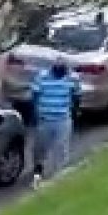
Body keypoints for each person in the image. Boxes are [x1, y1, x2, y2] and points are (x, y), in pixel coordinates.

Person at [30, 60, 80, 188]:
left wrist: (73, 112)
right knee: (40, 149)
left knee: (61, 149)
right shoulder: (41, 77)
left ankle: (58, 178)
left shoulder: (72, 78)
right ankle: (37, 173)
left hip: (63, 119)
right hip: (44, 119)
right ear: (53, 70)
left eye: (63, 73)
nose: (61, 76)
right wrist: (36, 115)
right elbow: (35, 97)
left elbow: (76, 96)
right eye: (58, 73)